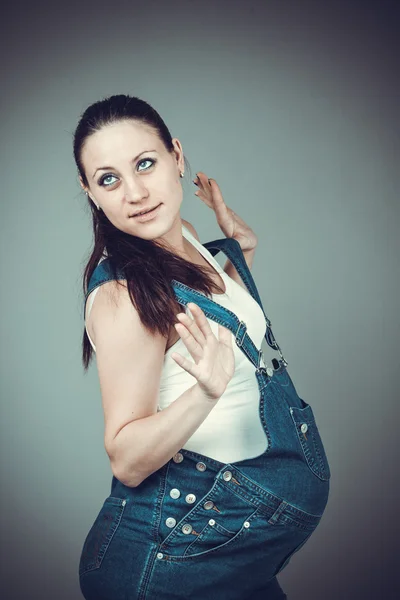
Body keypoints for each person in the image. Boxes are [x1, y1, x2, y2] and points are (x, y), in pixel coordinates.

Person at [75, 94, 331, 599]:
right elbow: (125, 458)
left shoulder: (186, 236)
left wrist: (239, 259)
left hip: (228, 546)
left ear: (176, 156)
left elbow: (209, 331)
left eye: (145, 164)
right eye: (109, 179)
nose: (135, 193)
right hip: (167, 557)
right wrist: (202, 395)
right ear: (90, 192)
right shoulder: (123, 299)